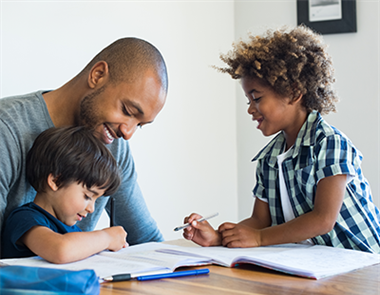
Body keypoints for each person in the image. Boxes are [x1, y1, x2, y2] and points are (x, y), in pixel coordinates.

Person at [183, 25, 380, 253]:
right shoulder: (269, 160)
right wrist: (219, 237)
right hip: (316, 267)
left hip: (364, 264)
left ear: (294, 92)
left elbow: (323, 219)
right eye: (248, 101)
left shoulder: (330, 143)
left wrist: (258, 238)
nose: (250, 109)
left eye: (256, 98)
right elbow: (259, 222)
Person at [0, 38, 167, 246]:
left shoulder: (114, 145)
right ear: (98, 75)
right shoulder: (6, 129)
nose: (127, 133)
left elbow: (147, 240)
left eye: (140, 125)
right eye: (128, 111)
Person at [0, 126, 128, 262]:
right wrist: (106, 238)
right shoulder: (26, 219)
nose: (91, 209)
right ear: (56, 181)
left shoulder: (72, 231)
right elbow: (60, 250)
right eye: (88, 196)